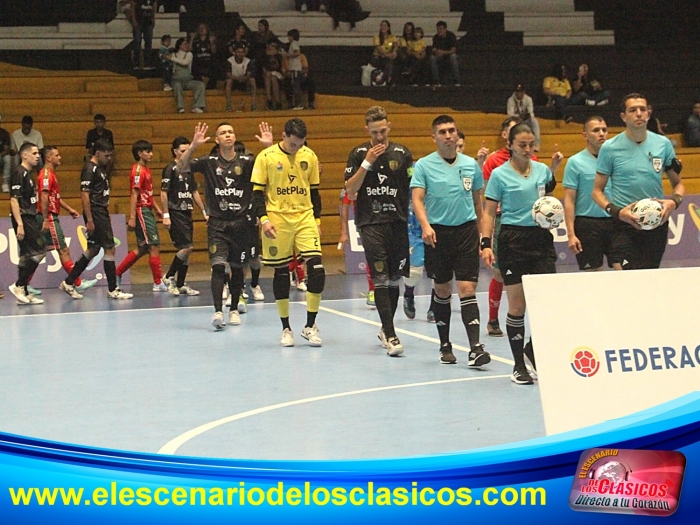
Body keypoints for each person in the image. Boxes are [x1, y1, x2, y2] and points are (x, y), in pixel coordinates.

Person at [481, 123, 558, 385]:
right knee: (518, 305)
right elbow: (489, 212)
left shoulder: (543, 171)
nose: (527, 149)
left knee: (547, 304)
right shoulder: (500, 175)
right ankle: (517, 365)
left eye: (531, 144)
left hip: (541, 239)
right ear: (510, 145)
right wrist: (486, 243)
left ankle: (533, 350)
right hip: (512, 239)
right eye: (522, 145)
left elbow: (547, 202)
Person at [176, 122, 272, 330]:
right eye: (223, 133)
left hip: (242, 223)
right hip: (217, 224)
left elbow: (272, 167)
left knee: (238, 269)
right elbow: (181, 167)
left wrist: (267, 147)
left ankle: (235, 308)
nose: (228, 135)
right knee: (218, 266)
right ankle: (218, 311)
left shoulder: (247, 162)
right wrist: (193, 145)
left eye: (230, 132)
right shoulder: (209, 162)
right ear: (217, 140)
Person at [411, 115, 489, 366]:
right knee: (442, 289)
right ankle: (445, 345)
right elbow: (417, 200)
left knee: (467, 289)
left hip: (465, 232)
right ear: (434, 137)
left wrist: (483, 235)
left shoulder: (470, 165)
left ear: (457, 135)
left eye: (451, 131)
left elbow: (478, 202)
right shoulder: (424, 165)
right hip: (438, 234)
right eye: (442, 132)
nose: (448, 135)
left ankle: (475, 348)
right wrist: (426, 226)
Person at [345, 106, 413, 356]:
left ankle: (387, 328)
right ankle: (391, 334)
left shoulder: (403, 153)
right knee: (381, 277)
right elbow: (351, 190)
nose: (380, 136)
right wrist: (367, 163)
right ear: (367, 130)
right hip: (371, 223)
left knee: (395, 279)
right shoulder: (358, 154)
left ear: (389, 127)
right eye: (375, 132)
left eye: (383, 131)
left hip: (397, 223)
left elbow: (413, 186)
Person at [252, 118, 324, 347]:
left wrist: (318, 219)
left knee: (317, 269)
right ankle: (286, 328)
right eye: (293, 144)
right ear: (283, 136)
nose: (297, 149)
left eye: (300, 144)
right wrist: (263, 220)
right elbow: (256, 194)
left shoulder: (309, 156)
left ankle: (310, 326)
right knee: (281, 273)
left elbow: (314, 192)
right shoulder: (265, 157)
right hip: (277, 219)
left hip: (304, 216)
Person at [592, 93, 685, 270]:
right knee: (626, 281)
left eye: (643, 109)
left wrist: (674, 202)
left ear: (649, 114)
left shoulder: (663, 144)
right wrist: (618, 213)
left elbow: (678, 184)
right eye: (633, 110)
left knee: (649, 279)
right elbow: (597, 191)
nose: (639, 113)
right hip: (624, 224)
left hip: (656, 223)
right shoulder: (610, 148)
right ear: (623, 116)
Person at [62, 141, 133, 300]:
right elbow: (84, 195)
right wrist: (90, 219)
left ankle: (69, 282)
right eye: (106, 155)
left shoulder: (100, 170)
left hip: (101, 211)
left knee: (93, 249)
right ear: (97, 153)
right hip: (95, 211)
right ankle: (113, 289)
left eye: (110, 155)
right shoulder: (89, 169)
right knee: (109, 248)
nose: (109, 158)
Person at [37, 146, 98, 298]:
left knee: (38, 252)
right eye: (57, 155)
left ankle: (22, 284)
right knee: (63, 250)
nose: (60, 158)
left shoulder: (51, 174)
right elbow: (44, 197)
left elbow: (54, 198)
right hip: (49, 217)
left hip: (52, 215)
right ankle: (76, 282)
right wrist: (45, 218)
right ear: (49, 158)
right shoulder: (46, 175)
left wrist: (69, 209)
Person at [563, 116, 620, 272]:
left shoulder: (616, 160)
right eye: (596, 130)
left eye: (604, 130)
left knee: (624, 271)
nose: (601, 133)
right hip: (588, 224)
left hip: (615, 221)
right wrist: (571, 234)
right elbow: (569, 200)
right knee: (593, 276)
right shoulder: (575, 162)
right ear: (585, 135)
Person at [115, 140, 166, 291]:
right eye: (147, 151)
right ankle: (158, 282)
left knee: (143, 248)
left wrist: (156, 208)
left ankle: (117, 273)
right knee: (154, 245)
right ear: (139, 153)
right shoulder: (138, 170)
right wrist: (132, 217)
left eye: (151, 151)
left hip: (147, 209)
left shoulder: (146, 170)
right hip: (141, 211)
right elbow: (134, 194)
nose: (151, 154)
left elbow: (147, 193)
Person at [160, 136, 208, 295]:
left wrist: (204, 211)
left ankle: (181, 284)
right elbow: (163, 193)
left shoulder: (188, 169)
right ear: (175, 152)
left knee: (187, 248)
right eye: (182, 151)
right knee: (187, 247)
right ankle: (168, 276)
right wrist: (166, 214)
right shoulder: (170, 168)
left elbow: (193, 191)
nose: (186, 153)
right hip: (176, 211)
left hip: (187, 211)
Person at [7, 143, 46, 305]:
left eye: (38, 153)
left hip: (30, 216)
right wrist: (20, 224)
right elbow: (14, 200)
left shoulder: (28, 174)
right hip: (24, 218)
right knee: (40, 251)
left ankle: (23, 290)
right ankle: (19, 285)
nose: (38, 156)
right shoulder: (19, 173)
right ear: (24, 155)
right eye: (34, 153)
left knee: (25, 254)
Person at [167, 37, 206, 114]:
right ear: (180, 46)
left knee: (200, 85)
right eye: (185, 44)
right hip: (176, 80)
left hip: (188, 81)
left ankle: (197, 106)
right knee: (177, 87)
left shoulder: (189, 54)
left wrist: (172, 58)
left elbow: (185, 62)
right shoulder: (173, 54)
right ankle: (180, 107)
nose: (187, 45)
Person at [506, 84, 541, 150]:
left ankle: (536, 144)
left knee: (534, 121)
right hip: (516, 121)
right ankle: (511, 144)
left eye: (521, 92)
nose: (519, 93)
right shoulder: (511, 100)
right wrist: (518, 117)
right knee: (511, 124)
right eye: (517, 91)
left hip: (525, 121)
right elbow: (510, 115)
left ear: (524, 92)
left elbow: (531, 113)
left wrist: (527, 116)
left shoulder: (528, 99)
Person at [225, 44, 257, 112]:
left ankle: (254, 104)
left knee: (252, 80)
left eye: (242, 52)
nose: (240, 54)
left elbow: (249, 74)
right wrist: (237, 78)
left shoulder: (248, 61)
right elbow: (228, 75)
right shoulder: (229, 61)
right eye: (238, 52)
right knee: (229, 81)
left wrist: (244, 78)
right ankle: (228, 105)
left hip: (244, 81)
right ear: (234, 53)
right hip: (234, 80)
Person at [190, 23, 221, 90]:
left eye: (203, 28)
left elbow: (214, 52)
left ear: (207, 30)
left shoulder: (209, 40)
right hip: (198, 62)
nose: (201, 29)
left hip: (208, 61)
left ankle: (210, 89)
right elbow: (190, 50)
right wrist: (192, 38)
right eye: (200, 28)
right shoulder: (196, 41)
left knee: (215, 68)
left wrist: (212, 42)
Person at [430, 21, 460, 86]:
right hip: (440, 56)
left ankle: (456, 80)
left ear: (445, 29)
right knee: (432, 58)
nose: (439, 31)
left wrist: (443, 52)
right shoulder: (436, 37)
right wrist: (436, 51)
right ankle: (436, 80)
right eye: (438, 29)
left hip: (450, 55)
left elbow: (453, 50)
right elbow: (433, 48)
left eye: (441, 29)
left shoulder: (451, 36)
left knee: (453, 57)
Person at [371, 20, 398, 86]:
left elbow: (395, 45)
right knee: (388, 60)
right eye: (381, 25)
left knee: (391, 60)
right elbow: (379, 49)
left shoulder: (392, 37)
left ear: (388, 28)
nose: (383, 27)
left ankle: (387, 78)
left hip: (389, 56)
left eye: (385, 25)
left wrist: (394, 52)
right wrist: (387, 55)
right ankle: (388, 78)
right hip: (378, 57)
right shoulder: (377, 37)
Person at [132, 0, 157, 69]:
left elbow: (153, 8)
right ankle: (136, 64)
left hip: (148, 22)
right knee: (137, 42)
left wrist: (153, 18)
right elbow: (133, 7)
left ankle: (148, 63)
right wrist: (134, 20)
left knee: (148, 42)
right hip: (139, 21)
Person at [285, 29, 304, 109]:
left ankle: (299, 103)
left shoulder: (294, 43)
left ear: (292, 36)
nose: (288, 38)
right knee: (295, 86)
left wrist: (288, 55)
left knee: (296, 86)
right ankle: (297, 103)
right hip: (294, 69)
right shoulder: (293, 44)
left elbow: (297, 53)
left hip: (295, 69)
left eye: (289, 36)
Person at [263, 41, 284, 110]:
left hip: (278, 75)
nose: (273, 48)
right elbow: (264, 68)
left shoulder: (279, 56)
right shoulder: (265, 56)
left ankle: (277, 101)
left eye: (274, 47)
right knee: (268, 77)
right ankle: (269, 100)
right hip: (268, 75)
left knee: (273, 78)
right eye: (272, 46)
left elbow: (281, 68)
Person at [0, 114, 12, 193]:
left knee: (8, 158)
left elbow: (6, 149)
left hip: (1, 156)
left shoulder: (4, 134)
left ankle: (5, 183)